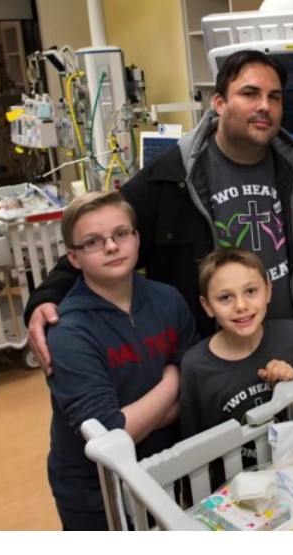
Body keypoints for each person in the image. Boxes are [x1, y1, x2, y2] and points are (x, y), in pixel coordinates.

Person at [25, 49, 293, 375]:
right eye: (250, 94)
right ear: (219, 103)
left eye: (274, 97)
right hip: (210, 368)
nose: (265, 106)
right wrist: (47, 298)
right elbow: (102, 241)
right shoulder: (169, 178)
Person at [45, 190, 200, 530]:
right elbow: (111, 434)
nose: (112, 246)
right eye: (93, 242)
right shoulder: (69, 332)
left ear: (137, 238)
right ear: (73, 257)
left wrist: (139, 419)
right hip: (95, 491)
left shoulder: (168, 299)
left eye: (121, 234)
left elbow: (195, 389)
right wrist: (171, 380)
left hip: (163, 469)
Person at [179, 248, 293, 439]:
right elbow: (195, 444)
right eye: (225, 297)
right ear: (207, 306)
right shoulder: (195, 366)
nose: (241, 306)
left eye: (250, 291)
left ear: (268, 291)